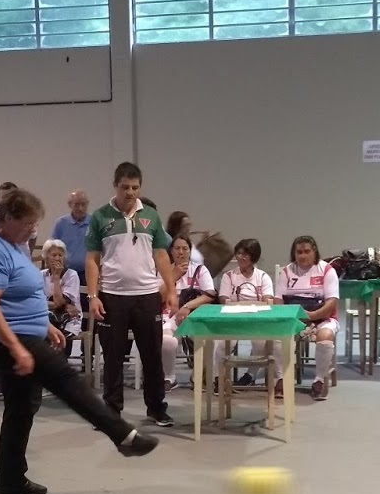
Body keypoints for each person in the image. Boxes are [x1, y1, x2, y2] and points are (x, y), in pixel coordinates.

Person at [0, 189, 159, 494]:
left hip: (24, 333)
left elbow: (18, 295)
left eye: (35, 224)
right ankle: (122, 435)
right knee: (66, 380)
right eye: (28, 223)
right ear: (7, 219)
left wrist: (44, 324)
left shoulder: (14, 246)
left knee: (21, 407)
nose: (33, 230)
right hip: (3, 339)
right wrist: (16, 348)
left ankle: (10, 481)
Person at [86, 162, 177, 426]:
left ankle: (157, 408)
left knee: (152, 356)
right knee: (113, 358)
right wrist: (93, 296)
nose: (130, 192)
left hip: (147, 295)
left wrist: (171, 290)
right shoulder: (100, 217)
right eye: (125, 187)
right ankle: (112, 413)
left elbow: (161, 255)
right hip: (112, 296)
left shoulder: (151, 216)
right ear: (115, 185)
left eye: (135, 187)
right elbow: (92, 259)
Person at [272, 235, 339, 402]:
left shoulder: (327, 270)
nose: (302, 256)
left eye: (307, 251)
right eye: (299, 252)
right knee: (277, 337)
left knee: (325, 337)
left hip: (322, 318)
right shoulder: (286, 272)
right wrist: (294, 319)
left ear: (314, 251)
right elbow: (278, 301)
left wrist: (313, 316)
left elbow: (332, 303)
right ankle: (281, 379)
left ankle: (319, 380)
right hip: (294, 320)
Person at [213, 237, 275, 390]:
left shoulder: (263, 277)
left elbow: (268, 301)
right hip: (233, 320)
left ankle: (250, 376)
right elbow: (224, 300)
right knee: (221, 343)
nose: (241, 257)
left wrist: (240, 304)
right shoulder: (229, 276)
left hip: (257, 320)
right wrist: (250, 304)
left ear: (254, 257)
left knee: (261, 343)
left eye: (245, 254)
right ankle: (219, 378)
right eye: (239, 253)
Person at [161, 234, 215, 390]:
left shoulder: (200, 270)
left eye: (185, 248)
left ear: (190, 252)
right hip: (169, 316)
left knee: (207, 341)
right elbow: (157, 296)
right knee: (167, 341)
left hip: (193, 316)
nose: (181, 252)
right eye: (177, 248)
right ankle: (169, 377)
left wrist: (187, 306)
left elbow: (210, 295)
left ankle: (198, 377)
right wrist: (174, 276)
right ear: (171, 251)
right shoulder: (164, 271)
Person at [42, 238, 82, 345]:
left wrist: (56, 277)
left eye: (60, 255)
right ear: (46, 257)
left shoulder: (72, 275)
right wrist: (60, 305)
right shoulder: (41, 275)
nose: (57, 258)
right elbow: (36, 302)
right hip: (46, 317)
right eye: (54, 255)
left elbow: (59, 303)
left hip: (69, 320)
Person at [49, 190, 91, 281]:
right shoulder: (60, 223)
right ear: (70, 205)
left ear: (87, 204)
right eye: (76, 204)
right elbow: (52, 247)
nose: (80, 208)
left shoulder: (94, 223)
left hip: (88, 273)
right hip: (65, 272)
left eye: (83, 204)